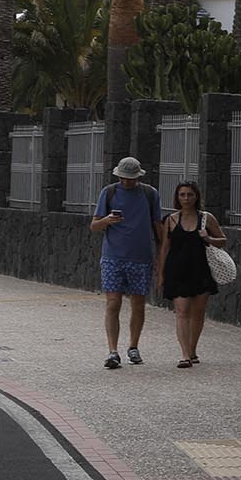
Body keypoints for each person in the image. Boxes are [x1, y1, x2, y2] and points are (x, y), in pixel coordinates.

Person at [88, 156, 162, 370]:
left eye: (131, 179)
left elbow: (158, 226)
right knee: (113, 303)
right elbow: (94, 225)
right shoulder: (109, 192)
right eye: (124, 178)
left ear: (138, 177)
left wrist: (160, 256)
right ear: (118, 176)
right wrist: (106, 221)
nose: (127, 182)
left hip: (141, 257)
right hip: (113, 257)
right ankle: (112, 351)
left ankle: (133, 347)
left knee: (138, 304)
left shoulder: (149, 194)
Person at [155, 180, 227, 369]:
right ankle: (185, 355)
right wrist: (160, 274)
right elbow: (164, 249)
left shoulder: (206, 218)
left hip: (200, 270)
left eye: (190, 195)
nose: (186, 198)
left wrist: (208, 237)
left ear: (196, 197)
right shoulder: (170, 220)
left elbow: (222, 241)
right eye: (182, 195)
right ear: (177, 198)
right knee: (181, 312)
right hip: (177, 270)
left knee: (198, 312)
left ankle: (193, 349)